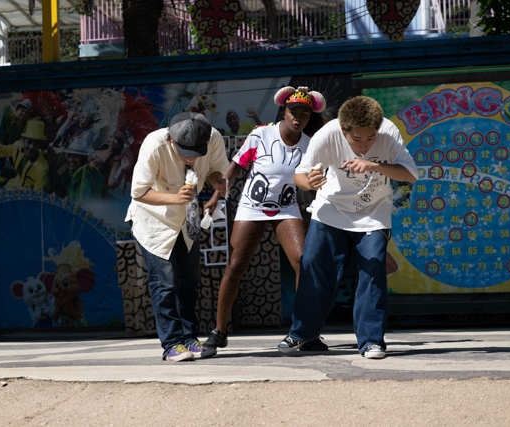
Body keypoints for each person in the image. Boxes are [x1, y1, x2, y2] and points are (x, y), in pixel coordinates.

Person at [277, 96, 418, 359]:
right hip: (330, 211)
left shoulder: (388, 131)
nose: (363, 146)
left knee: (372, 271)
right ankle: (302, 334)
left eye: (370, 139)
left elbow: (410, 173)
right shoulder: (327, 134)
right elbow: (300, 175)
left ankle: (371, 341)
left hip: (374, 213)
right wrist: (310, 182)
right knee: (315, 270)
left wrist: (374, 165)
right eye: (356, 140)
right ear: (343, 130)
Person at [202, 87, 326, 356]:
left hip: (287, 206)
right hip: (252, 206)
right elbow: (235, 166)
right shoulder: (261, 133)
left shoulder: (310, 144)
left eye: (304, 114)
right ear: (284, 111)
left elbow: (312, 184)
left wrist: (320, 210)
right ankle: (219, 332)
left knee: (303, 263)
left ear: (309, 118)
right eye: (294, 112)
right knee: (235, 266)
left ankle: (304, 331)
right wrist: (215, 198)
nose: (298, 118)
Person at [126, 112, 229, 362]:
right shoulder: (154, 145)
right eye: (185, 152)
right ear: (172, 140)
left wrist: (218, 183)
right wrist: (175, 198)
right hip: (155, 221)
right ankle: (171, 344)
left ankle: (189, 337)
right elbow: (138, 193)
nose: (190, 158)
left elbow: (216, 170)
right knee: (165, 282)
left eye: (196, 152)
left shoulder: (213, 138)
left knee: (190, 281)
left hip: (189, 220)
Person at [0, 120, 51, 192]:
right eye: (29, 142)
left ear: (40, 146)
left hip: (29, 193)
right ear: (23, 141)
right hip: (14, 184)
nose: (32, 147)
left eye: (36, 144)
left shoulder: (42, 168)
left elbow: (37, 194)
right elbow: (1, 151)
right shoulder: (17, 146)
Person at [0, 98, 33, 186]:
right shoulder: (7, 119)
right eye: (22, 110)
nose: (23, 114)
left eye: (26, 112)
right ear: (16, 110)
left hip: (13, 152)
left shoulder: (26, 126)